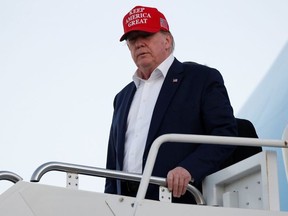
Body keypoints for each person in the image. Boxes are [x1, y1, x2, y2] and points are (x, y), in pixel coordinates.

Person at [104, 5, 238, 204]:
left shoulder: (200, 79)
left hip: (177, 200)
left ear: (167, 40)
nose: (139, 44)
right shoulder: (122, 97)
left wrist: (189, 168)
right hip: (125, 204)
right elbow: (113, 163)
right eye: (132, 40)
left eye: (146, 36)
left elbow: (225, 133)